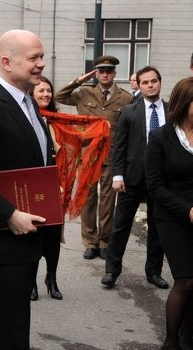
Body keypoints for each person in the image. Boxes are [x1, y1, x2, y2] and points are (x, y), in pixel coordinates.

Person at [0, 29, 61, 350]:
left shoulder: (29, 104)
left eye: (42, 57)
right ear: (6, 62)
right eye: (33, 58)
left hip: (27, 243)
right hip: (3, 243)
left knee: (9, 327)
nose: (41, 64)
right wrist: (8, 214)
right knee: (0, 332)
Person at [55, 55, 132, 260]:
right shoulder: (84, 93)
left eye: (108, 71)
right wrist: (80, 80)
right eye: (101, 71)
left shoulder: (125, 98)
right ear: (96, 74)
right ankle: (90, 242)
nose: (105, 74)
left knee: (108, 200)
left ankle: (105, 241)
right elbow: (59, 97)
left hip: (111, 155)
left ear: (114, 73)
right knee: (88, 199)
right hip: (87, 154)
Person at [101, 66, 168, 289]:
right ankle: (111, 270)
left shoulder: (171, 111)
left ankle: (153, 272)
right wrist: (117, 175)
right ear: (138, 85)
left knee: (157, 227)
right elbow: (118, 147)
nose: (150, 85)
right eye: (145, 82)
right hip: (132, 178)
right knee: (121, 225)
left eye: (154, 81)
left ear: (160, 82)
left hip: (162, 179)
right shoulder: (129, 111)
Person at [145, 77, 193, 350]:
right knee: (185, 279)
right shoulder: (161, 136)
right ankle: (171, 340)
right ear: (185, 103)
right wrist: (187, 210)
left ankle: (188, 338)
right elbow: (154, 186)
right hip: (171, 216)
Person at [29, 76, 63, 301]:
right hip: (30, 184)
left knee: (52, 235)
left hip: (54, 184)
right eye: (40, 91)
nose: (45, 95)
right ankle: (30, 281)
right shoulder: (28, 118)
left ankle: (51, 278)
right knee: (33, 233)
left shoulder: (58, 121)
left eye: (48, 91)